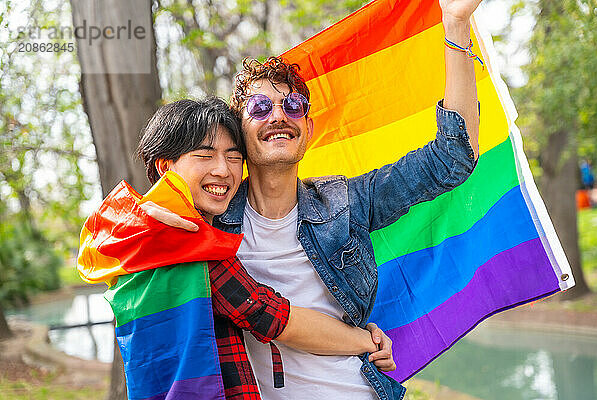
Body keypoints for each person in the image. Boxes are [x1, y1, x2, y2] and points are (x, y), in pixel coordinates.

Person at [149, 0, 483, 398]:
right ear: (240, 131)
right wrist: (363, 339)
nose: (278, 116)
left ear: (307, 128)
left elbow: (453, 156)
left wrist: (456, 22)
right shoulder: (205, 221)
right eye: (259, 107)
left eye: (293, 106)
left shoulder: (347, 202)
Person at [78, 97, 394, 400]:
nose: (224, 170)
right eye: (205, 155)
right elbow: (270, 315)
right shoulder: (181, 240)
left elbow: (97, 239)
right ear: (164, 166)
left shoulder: (133, 232)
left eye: (233, 157)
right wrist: (365, 340)